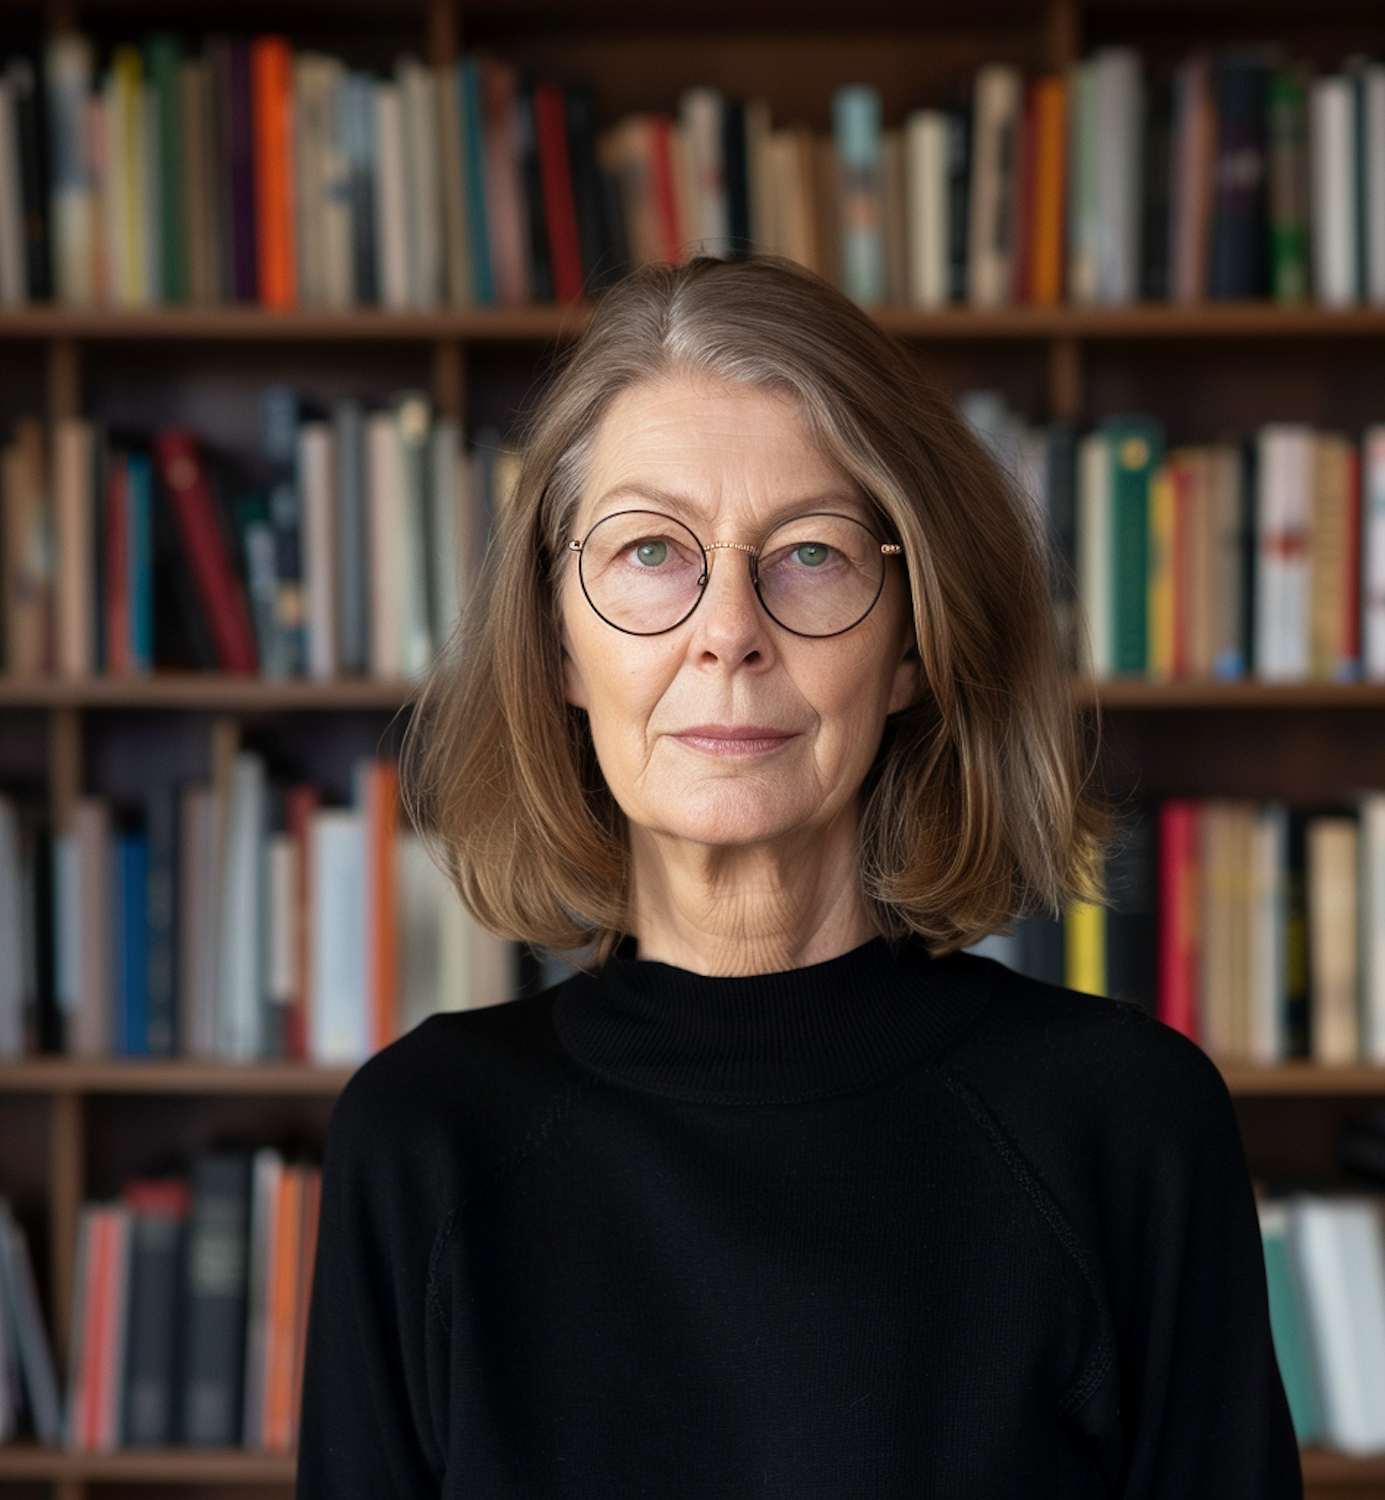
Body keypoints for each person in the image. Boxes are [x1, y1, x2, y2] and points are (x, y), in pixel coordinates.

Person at [296, 256, 1302, 1498]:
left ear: (914, 647)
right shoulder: (423, 1142)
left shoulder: (1130, 1127)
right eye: (653, 551)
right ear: (558, 641)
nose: (730, 629)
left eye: (813, 555)